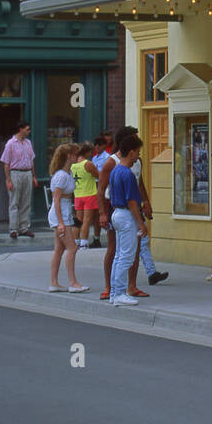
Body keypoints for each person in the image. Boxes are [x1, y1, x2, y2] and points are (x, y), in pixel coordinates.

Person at [97, 125, 166, 301]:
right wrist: (102, 213)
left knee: (131, 250)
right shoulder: (112, 163)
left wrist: (147, 201)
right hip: (117, 206)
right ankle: (110, 287)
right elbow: (101, 189)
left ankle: (131, 286)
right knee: (116, 249)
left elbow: (139, 183)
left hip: (129, 206)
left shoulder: (135, 163)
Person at [107, 134, 146, 307]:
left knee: (119, 255)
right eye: (137, 152)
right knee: (127, 256)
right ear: (131, 152)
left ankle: (115, 292)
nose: (138, 156)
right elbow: (132, 202)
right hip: (126, 216)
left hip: (116, 213)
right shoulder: (128, 174)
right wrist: (141, 223)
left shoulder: (115, 170)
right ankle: (120, 293)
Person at [47, 143, 88, 293]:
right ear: (69, 156)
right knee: (72, 247)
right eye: (75, 154)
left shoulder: (66, 174)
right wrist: (61, 223)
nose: (77, 156)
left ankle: (54, 282)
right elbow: (56, 200)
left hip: (63, 214)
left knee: (59, 249)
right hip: (60, 215)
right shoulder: (62, 176)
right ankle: (73, 282)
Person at [0, 120, 36, 239]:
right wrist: (9, 180)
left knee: (26, 202)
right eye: (27, 129)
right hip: (15, 173)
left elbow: (31, 161)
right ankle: (13, 229)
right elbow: (6, 163)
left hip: (27, 173)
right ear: (20, 129)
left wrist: (34, 176)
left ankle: (24, 228)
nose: (28, 131)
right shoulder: (10, 143)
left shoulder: (28, 143)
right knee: (14, 201)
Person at [71, 143, 100, 249]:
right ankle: (84, 243)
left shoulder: (73, 165)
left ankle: (76, 242)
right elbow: (99, 175)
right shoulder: (88, 163)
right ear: (87, 152)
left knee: (78, 220)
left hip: (78, 194)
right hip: (89, 194)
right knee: (87, 220)